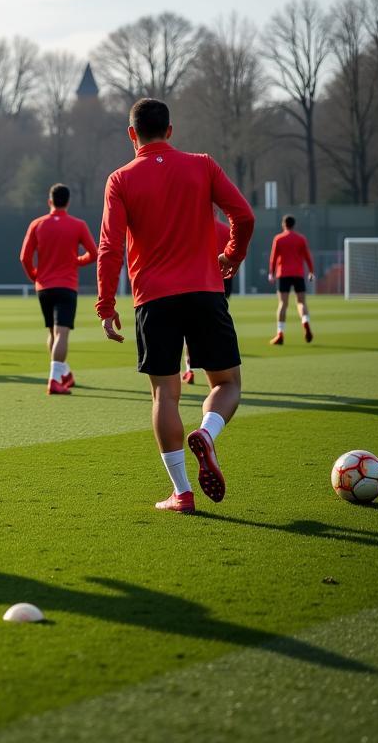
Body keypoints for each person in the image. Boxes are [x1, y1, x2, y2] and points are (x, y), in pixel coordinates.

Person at [96, 98, 255, 514]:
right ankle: (207, 433)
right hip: (205, 291)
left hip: (153, 300)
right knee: (227, 384)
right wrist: (231, 257)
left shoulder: (119, 179)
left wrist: (106, 304)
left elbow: (110, 246)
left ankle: (182, 493)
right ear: (170, 130)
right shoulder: (202, 164)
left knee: (165, 395)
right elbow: (245, 215)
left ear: (132, 135)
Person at [19, 184, 97, 395]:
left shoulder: (37, 224)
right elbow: (94, 253)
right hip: (66, 285)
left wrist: (35, 275)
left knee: (52, 333)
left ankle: (64, 373)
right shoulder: (77, 225)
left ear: (49, 201)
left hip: (43, 287)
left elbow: (25, 257)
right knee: (62, 333)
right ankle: (54, 379)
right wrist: (77, 261)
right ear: (68, 202)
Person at [182, 211, 238, 385]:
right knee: (215, 320)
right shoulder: (225, 229)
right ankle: (217, 366)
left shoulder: (193, 228)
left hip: (198, 278)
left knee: (188, 325)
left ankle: (189, 370)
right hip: (222, 278)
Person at [268, 214, 315, 345]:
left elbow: (273, 257)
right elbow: (307, 256)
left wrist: (271, 273)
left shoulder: (279, 238)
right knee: (301, 302)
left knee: (283, 304)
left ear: (284, 224)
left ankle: (280, 334)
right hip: (298, 274)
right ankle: (305, 322)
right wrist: (311, 271)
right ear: (294, 225)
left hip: (283, 274)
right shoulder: (301, 239)